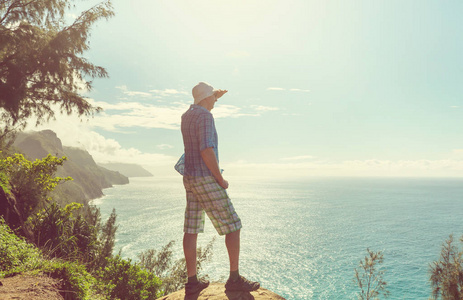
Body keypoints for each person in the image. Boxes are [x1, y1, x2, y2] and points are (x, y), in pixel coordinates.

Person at [180, 82, 260, 295]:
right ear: (206, 99)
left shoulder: (187, 115)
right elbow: (206, 149)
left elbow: (205, 100)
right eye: (213, 98)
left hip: (189, 177)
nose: (215, 101)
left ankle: (192, 281)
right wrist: (220, 179)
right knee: (233, 225)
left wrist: (216, 94)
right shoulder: (206, 117)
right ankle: (234, 279)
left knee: (191, 227)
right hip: (206, 177)